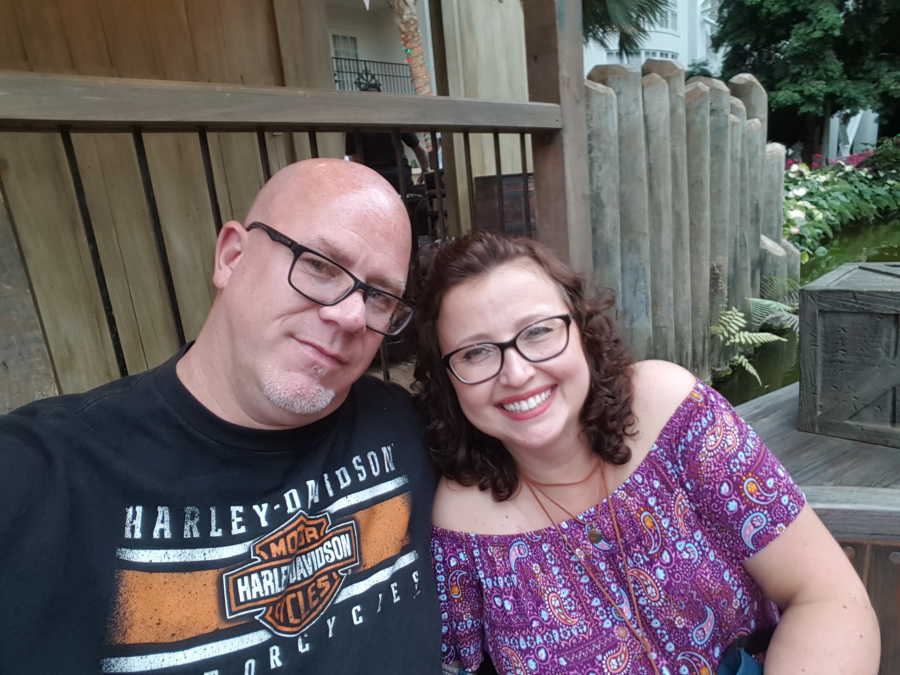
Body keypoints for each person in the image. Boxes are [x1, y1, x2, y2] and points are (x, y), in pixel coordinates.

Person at [0, 159, 440, 673]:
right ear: (232, 257)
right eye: (320, 264)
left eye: (380, 296)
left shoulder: (404, 424)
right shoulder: (39, 476)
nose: (350, 315)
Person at [413, 231, 880, 674]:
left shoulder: (670, 412)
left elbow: (825, 596)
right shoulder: (462, 522)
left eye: (537, 331)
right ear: (447, 379)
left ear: (580, 329)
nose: (515, 373)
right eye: (475, 353)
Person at [346, 82, 431, 195]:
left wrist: (362, 180)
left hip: (374, 179)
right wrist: (425, 169)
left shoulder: (355, 125)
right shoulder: (394, 118)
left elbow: (356, 160)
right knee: (407, 205)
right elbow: (418, 148)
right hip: (399, 175)